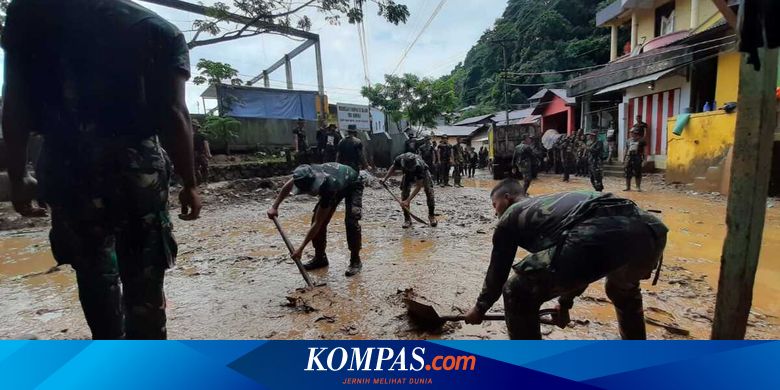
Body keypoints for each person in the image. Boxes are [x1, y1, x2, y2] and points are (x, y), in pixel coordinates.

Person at [2, 0, 202, 339]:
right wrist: (189, 183)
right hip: (137, 169)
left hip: (68, 166)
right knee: (145, 276)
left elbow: (14, 104)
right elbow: (173, 114)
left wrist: (19, 176)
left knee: (94, 273)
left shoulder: (30, 16)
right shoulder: (158, 29)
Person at [464, 180, 668, 340]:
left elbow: (498, 271)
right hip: (650, 231)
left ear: (507, 198)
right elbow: (586, 263)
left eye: (495, 205)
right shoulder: (554, 204)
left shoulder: (511, 215)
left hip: (598, 234)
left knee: (516, 292)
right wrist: (565, 303)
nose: (495, 212)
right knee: (621, 291)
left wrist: (480, 307)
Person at [267, 163, 363, 277]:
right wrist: (275, 206)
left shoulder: (329, 187)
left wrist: (300, 249)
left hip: (353, 183)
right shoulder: (304, 174)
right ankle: (320, 258)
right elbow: (289, 185)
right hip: (337, 180)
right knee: (317, 222)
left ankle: (355, 260)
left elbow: (318, 223)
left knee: (351, 222)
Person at [380, 152, 438, 228]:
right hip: (407, 174)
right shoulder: (399, 159)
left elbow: (418, 186)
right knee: (404, 194)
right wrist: (385, 179)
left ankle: (431, 216)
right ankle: (407, 219)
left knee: (429, 192)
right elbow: (393, 167)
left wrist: (408, 200)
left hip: (424, 172)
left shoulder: (419, 166)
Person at [193, 119, 212, 185]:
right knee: (203, 168)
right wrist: (208, 153)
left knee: (197, 169)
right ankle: (203, 182)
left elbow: (206, 144)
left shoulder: (190, 136)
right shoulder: (202, 136)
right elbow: (206, 144)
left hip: (197, 154)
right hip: (199, 154)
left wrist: (208, 153)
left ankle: (202, 182)